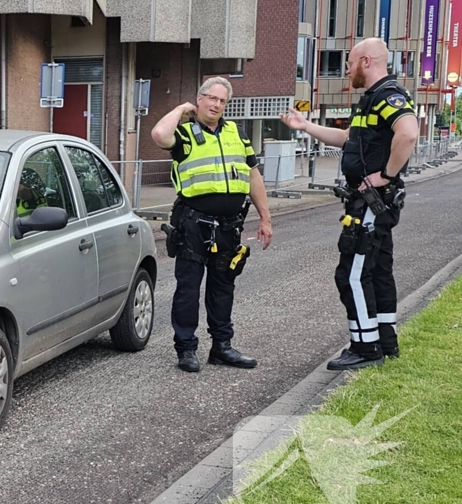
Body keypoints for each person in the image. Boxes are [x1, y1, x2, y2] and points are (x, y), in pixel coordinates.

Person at [281, 38, 418, 371]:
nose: (346, 67)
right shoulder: (370, 100)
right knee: (378, 271)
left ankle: (365, 347)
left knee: (352, 275)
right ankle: (386, 342)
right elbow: (348, 140)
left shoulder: (387, 96)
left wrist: (385, 175)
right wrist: (306, 127)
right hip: (374, 201)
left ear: (366, 61)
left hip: (372, 200)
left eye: (350, 61)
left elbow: (409, 133)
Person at [151, 76, 274, 373]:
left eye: (222, 101)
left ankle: (222, 347)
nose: (217, 104)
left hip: (229, 226)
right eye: (211, 98)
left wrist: (265, 218)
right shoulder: (185, 134)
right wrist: (182, 109)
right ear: (200, 99)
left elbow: (253, 176)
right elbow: (158, 134)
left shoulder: (237, 133)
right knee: (188, 289)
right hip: (194, 225)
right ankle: (186, 349)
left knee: (223, 288)